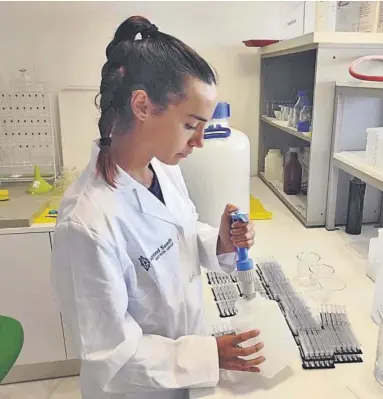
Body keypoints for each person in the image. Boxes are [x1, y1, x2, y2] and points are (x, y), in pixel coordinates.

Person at [51, 16, 264, 399]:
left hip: (185, 371)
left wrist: (219, 243)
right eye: (190, 124)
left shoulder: (162, 169)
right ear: (142, 105)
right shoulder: (86, 223)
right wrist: (208, 355)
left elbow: (178, 232)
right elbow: (110, 356)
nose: (199, 141)